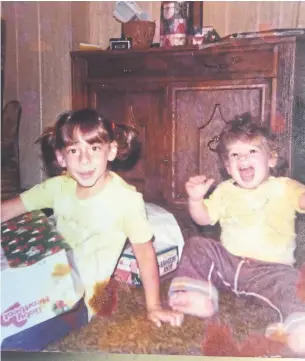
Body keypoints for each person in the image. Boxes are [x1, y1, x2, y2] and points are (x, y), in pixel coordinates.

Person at [1, 108, 183, 328]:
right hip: (43, 278)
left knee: (14, 325)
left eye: (94, 148)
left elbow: (145, 254)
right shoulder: (58, 187)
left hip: (77, 301)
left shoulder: (125, 199)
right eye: (74, 151)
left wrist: (154, 306)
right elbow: (7, 210)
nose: (85, 160)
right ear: (61, 158)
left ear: (111, 151)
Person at [168, 117, 305, 354]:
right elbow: (203, 218)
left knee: (293, 285)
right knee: (197, 245)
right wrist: (195, 199)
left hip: (273, 270)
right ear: (228, 167)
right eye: (234, 155)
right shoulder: (223, 191)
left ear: (271, 159)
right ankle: (197, 294)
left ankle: (298, 327)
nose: (243, 159)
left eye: (252, 151)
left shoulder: (284, 187)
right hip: (229, 265)